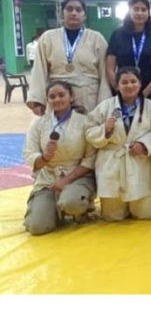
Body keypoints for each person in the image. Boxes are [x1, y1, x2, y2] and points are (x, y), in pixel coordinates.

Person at [22, 80, 96, 235]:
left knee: (71, 203)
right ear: (47, 100)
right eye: (52, 97)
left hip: (77, 176)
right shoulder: (39, 124)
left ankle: (79, 207)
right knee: (37, 227)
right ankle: (51, 210)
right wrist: (45, 157)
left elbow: (90, 159)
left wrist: (66, 181)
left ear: (71, 97)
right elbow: (29, 154)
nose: (57, 100)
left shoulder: (84, 121)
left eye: (61, 95)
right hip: (48, 178)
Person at [85, 66, 151, 221]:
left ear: (140, 84)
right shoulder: (105, 107)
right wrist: (105, 129)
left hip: (139, 162)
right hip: (112, 162)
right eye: (124, 82)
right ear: (117, 86)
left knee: (145, 214)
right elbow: (89, 131)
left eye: (133, 81)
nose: (129, 85)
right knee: (113, 216)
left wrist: (144, 145)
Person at [27, 0, 111, 116]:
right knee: (59, 132)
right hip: (57, 95)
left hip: (88, 96)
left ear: (84, 15)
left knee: (87, 131)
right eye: (69, 9)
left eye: (78, 10)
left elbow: (104, 72)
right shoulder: (48, 38)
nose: (74, 13)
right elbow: (39, 70)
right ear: (62, 14)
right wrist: (37, 100)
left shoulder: (97, 38)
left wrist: (104, 102)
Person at [106, 0, 151, 102]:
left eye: (143, 10)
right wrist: (120, 89)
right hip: (124, 93)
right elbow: (110, 68)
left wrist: (143, 95)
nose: (140, 13)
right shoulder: (117, 35)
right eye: (136, 9)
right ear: (129, 11)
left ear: (149, 13)